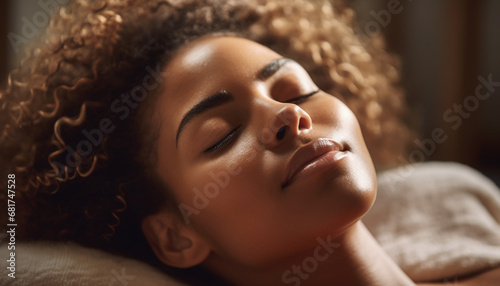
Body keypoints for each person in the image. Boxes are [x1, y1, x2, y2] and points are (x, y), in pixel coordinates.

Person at [1, 0, 498, 285]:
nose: (289, 115)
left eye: (297, 89)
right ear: (177, 236)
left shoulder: (476, 234)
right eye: (223, 136)